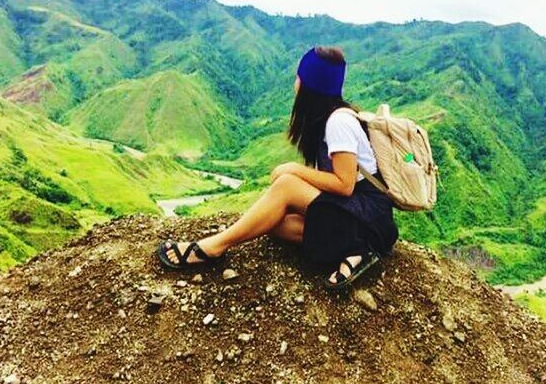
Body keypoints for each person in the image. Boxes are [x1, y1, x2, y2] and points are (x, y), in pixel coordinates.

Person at [156, 46, 398, 288]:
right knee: (273, 223)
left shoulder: (339, 122)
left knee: (287, 185)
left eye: (299, 76)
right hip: (352, 216)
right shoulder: (326, 119)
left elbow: (344, 185)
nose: (295, 81)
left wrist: (294, 169)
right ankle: (358, 249)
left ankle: (213, 247)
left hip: (368, 215)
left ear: (310, 84)